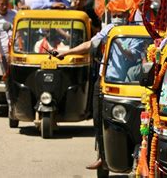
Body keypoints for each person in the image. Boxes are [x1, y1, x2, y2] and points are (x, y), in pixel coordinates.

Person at [55, 9, 140, 170]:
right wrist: (67, 53)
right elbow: (90, 44)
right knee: (99, 120)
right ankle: (103, 157)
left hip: (127, 85)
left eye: (121, 15)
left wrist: (118, 40)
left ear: (129, 14)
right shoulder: (108, 29)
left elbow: (132, 56)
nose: (117, 18)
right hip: (104, 82)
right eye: (115, 15)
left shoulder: (135, 31)